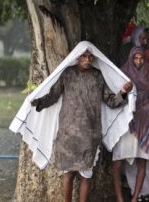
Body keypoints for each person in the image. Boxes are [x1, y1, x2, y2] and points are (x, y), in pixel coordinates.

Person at [9, 41, 135, 202]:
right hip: (68, 134)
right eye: (84, 56)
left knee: (86, 175)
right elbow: (53, 96)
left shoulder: (98, 76)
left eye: (90, 56)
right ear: (77, 58)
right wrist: (38, 102)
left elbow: (111, 101)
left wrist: (123, 92)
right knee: (68, 174)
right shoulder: (67, 74)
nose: (88, 59)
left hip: (90, 134)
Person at [112, 46, 149, 202]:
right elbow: (114, 98)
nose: (138, 61)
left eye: (141, 58)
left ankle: (135, 198)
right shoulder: (121, 73)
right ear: (131, 59)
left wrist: (145, 110)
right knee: (118, 161)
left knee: (142, 160)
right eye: (135, 58)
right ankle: (120, 199)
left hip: (144, 124)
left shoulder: (148, 75)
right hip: (126, 125)